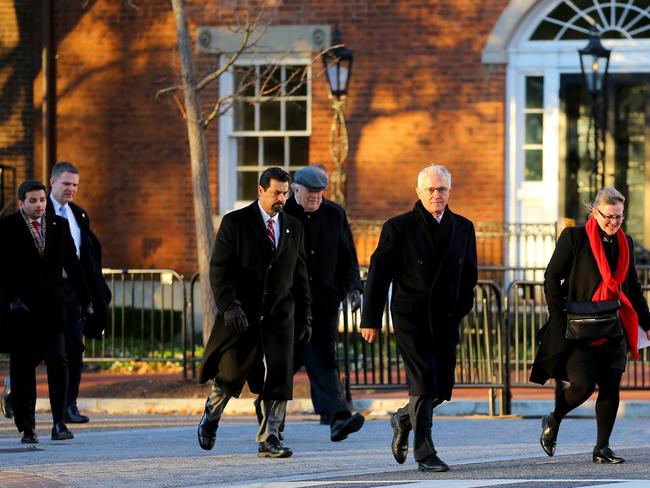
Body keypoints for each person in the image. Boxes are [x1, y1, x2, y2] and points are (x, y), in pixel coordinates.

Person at [360, 164, 477, 472]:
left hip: (446, 317)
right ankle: (425, 452)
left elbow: (469, 276)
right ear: (419, 193)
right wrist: (370, 318)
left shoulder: (464, 227)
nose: (436, 195)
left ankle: (401, 418)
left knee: (441, 387)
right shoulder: (398, 227)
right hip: (411, 316)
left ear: (450, 191)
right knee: (424, 381)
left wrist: (460, 307)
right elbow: (378, 275)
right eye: (430, 190)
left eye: (442, 189)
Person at [197, 167, 312, 458]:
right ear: (260, 191)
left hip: (279, 316)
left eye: (285, 193)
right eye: (276, 192)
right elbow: (219, 271)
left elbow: (300, 276)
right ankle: (211, 417)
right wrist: (229, 306)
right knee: (230, 373)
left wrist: (305, 316)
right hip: (243, 314)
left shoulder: (293, 227)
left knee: (279, 376)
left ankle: (269, 437)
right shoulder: (236, 223)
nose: (281, 198)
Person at [531, 187, 650, 464]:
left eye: (619, 217)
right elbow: (551, 277)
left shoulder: (625, 243)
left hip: (613, 326)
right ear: (594, 212)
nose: (614, 223)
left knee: (610, 385)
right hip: (579, 327)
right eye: (609, 216)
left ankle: (602, 448)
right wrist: (558, 315)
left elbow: (631, 287)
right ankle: (554, 416)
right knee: (582, 386)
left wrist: (646, 321)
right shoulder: (575, 238)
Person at [0, 180, 91, 443]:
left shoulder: (57, 226)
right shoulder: (7, 227)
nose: (39, 205)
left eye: (41, 200)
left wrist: (86, 301)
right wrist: (12, 301)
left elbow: (73, 265)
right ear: (21, 203)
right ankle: (27, 427)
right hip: (22, 313)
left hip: (53, 310)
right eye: (32, 200)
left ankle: (59, 423)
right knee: (23, 369)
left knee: (58, 362)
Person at [282, 165, 364, 442]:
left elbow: (348, 256)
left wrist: (352, 288)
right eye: (310, 193)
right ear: (296, 190)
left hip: (324, 303)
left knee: (325, 360)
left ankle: (339, 417)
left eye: (320, 193)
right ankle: (268, 413)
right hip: (290, 306)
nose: (316, 198)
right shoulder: (282, 214)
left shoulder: (334, 214)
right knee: (287, 364)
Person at [47, 161, 112, 424]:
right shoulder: (40, 209)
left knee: (75, 348)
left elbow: (87, 256)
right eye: (66, 183)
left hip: (73, 292)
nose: (71, 189)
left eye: (75, 184)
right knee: (43, 350)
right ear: (52, 182)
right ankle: (16, 390)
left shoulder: (78, 214)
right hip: (47, 293)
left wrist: (93, 294)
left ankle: (69, 406)